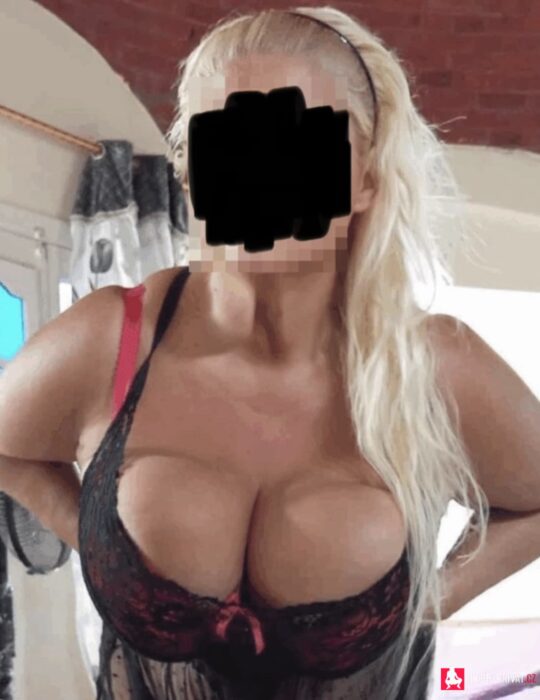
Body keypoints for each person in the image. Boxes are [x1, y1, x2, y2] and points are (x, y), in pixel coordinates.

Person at [0, 6, 495, 700]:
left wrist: (432, 597)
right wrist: (99, 537)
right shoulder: (115, 338)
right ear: (191, 174)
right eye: (228, 145)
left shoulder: (433, 364)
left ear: (365, 178)